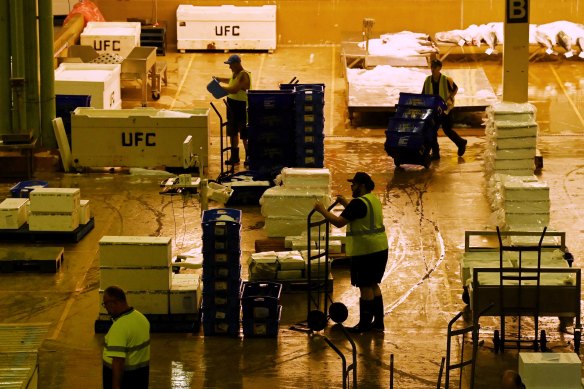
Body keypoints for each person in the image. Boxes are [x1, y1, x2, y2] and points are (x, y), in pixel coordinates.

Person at [314, 172, 388, 333]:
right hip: (380, 249)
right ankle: (378, 323)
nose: (351, 187)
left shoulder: (358, 203)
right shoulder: (372, 200)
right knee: (373, 284)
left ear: (361, 186)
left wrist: (321, 210)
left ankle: (365, 324)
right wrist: (346, 203)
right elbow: (362, 216)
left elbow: (339, 222)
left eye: (353, 184)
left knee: (365, 287)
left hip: (366, 250)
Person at [102, 286, 150, 389]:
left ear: (113, 303)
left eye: (105, 304)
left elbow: (118, 361)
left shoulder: (119, 327)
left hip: (126, 381)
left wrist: (115, 386)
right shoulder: (141, 318)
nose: (105, 308)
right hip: (141, 378)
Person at [421, 59, 467, 159]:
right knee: (432, 130)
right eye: (431, 67)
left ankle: (461, 143)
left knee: (447, 130)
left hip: (445, 109)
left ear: (439, 68)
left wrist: (449, 99)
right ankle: (436, 153)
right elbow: (423, 94)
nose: (432, 69)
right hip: (433, 109)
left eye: (435, 67)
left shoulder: (446, 79)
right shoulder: (428, 80)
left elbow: (455, 89)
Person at [214, 54, 252, 166]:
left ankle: (249, 157)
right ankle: (234, 157)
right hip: (232, 106)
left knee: (244, 134)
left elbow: (234, 89)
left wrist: (219, 88)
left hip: (241, 107)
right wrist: (220, 79)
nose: (229, 67)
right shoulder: (235, 74)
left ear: (236, 64)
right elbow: (231, 81)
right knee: (232, 132)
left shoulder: (244, 75)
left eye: (230, 64)